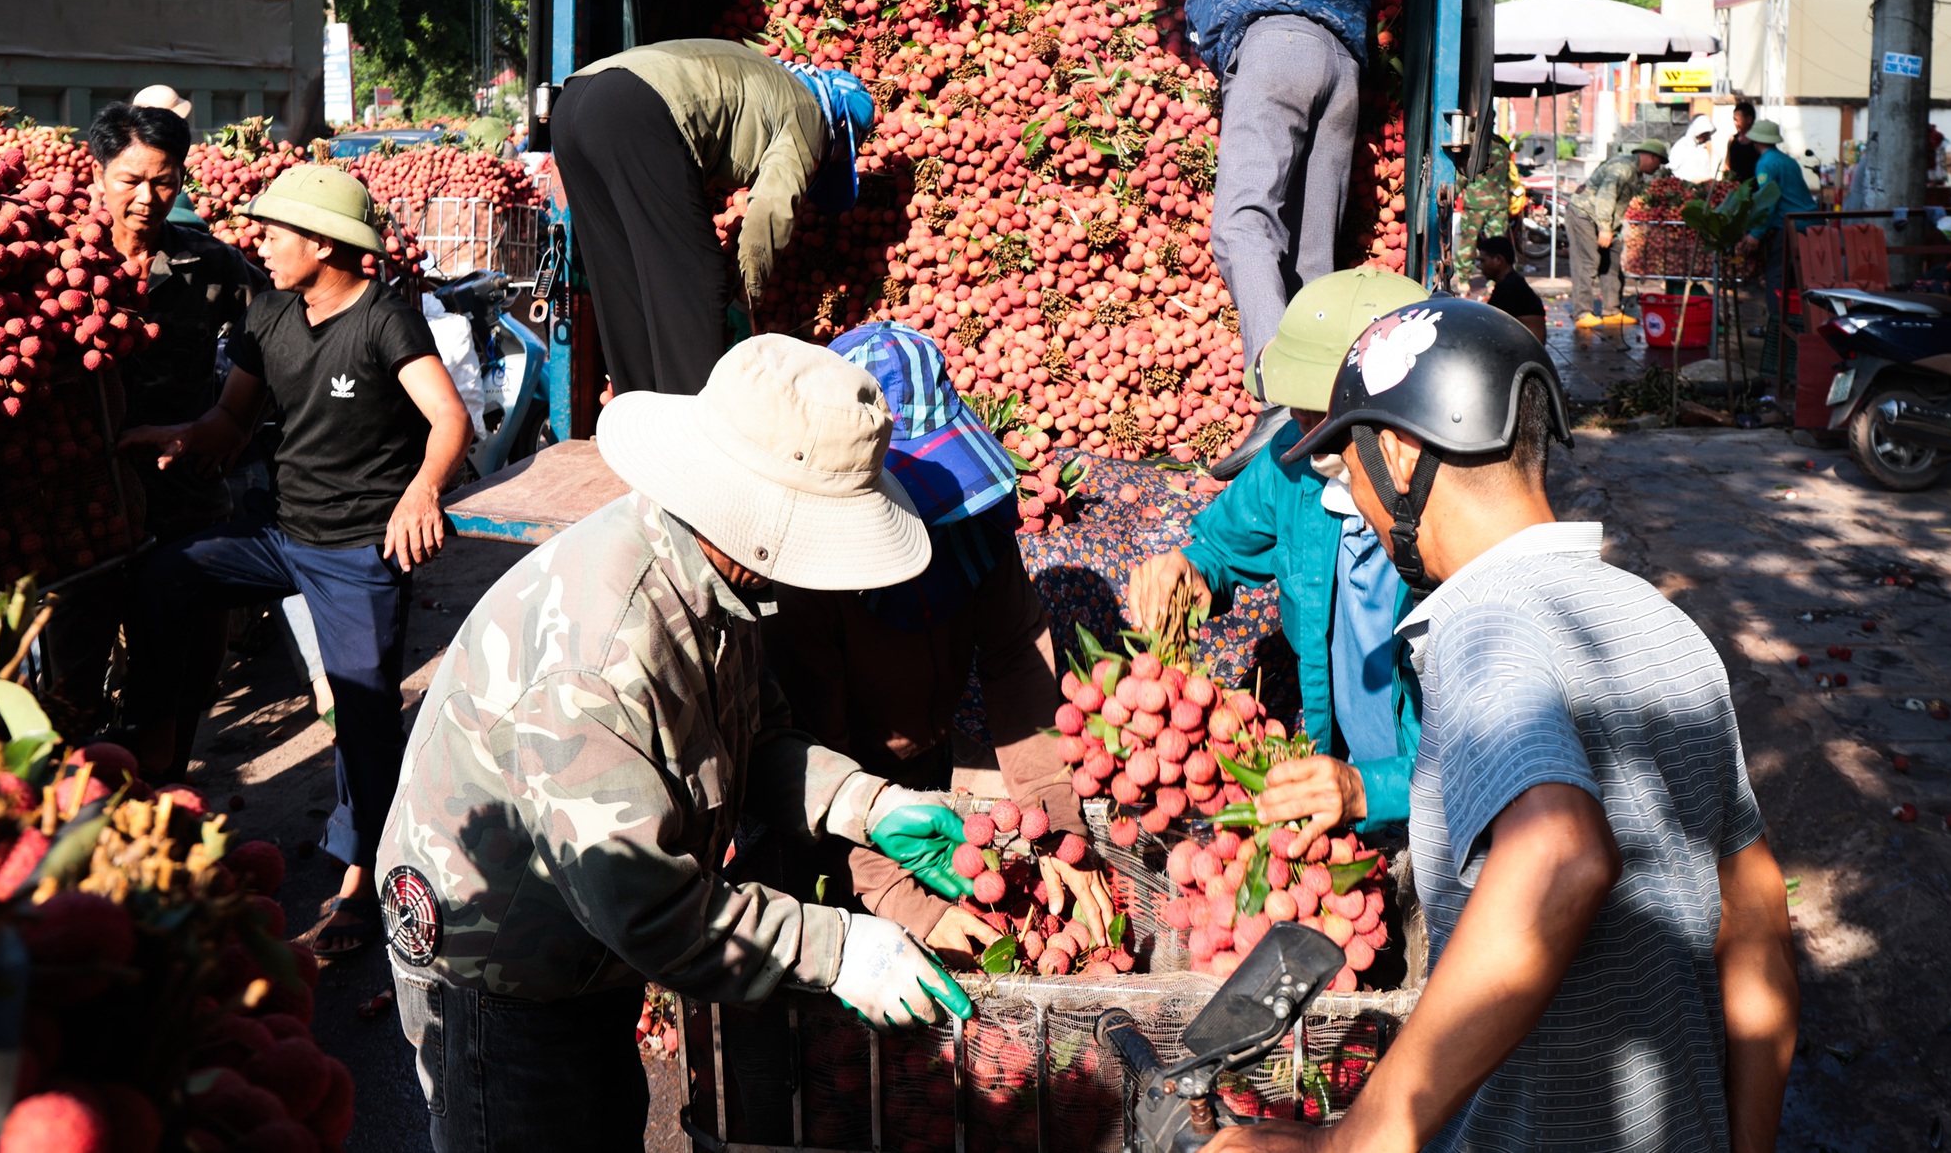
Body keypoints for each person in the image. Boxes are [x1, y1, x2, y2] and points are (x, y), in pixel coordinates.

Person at [1216, 299, 1797, 1153]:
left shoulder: (1484, 623)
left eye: (1352, 471)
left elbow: (1561, 856)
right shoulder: (1662, 622)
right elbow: (1755, 920)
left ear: (1404, 454)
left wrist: (1348, 1144)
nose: (1362, 510)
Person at [379, 336, 974, 1150]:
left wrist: (862, 803)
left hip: (585, 948)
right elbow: (648, 907)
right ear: (762, 521)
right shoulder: (599, 656)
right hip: (501, 973)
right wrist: (838, 950)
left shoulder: (713, 575)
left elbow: (753, 734)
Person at [120, 164, 474, 958]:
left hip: (357, 548)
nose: (262, 243)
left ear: (323, 242)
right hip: (280, 534)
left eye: (277, 232)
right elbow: (230, 417)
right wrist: (180, 439)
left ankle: (360, 878)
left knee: (364, 710)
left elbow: (450, 418)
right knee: (165, 576)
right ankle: (161, 760)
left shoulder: (385, 318)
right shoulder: (271, 314)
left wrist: (421, 491)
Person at [764, 323, 1113, 959]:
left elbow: (1014, 657)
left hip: (932, 760)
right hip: (834, 799)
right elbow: (815, 764)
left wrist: (1053, 821)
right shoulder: (806, 577)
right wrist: (896, 895)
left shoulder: (972, 524)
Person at [1109, 0, 1369, 477]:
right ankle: (1327, 413)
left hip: (1279, 48)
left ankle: (1281, 395)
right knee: (1313, 257)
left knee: (1242, 224)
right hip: (1342, 65)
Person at [1124, 266, 1428, 832]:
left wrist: (1371, 789)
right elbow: (1220, 547)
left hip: (1433, 796)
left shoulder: (1450, 509)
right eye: (1297, 406)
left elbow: (1481, 758)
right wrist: (1185, 570)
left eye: (1317, 409)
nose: (1300, 423)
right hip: (1342, 776)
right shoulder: (1295, 462)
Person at [42, 103, 264, 738]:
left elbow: (276, 337)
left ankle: (162, 801)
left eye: (164, 181)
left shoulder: (211, 266)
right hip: (81, 512)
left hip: (183, 503)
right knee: (70, 696)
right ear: (98, 176)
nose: (147, 197)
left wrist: (234, 425)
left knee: (185, 682)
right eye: (130, 180)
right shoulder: (55, 263)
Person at [550, 38, 874, 398]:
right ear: (839, 127)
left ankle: (637, 423)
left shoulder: (763, 79)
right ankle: (697, 434)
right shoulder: (810, 114)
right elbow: (770, 211)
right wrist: (742, 299)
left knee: (625, 279)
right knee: (700, 279)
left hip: (572, 106)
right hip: (636, 110)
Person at [1565, 133, 1665, 329]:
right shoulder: (1623, 168)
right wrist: (1604, 228)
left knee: (1612, 261)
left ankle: (1612, 310)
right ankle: (1583, 312)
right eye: (1658, 162)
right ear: (1651, 157)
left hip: (1607, 220)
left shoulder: (1635, 172)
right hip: (1585, 214)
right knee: (1588, 262)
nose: (1658, 167)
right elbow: (1606, 195)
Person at [1737, 119, 1819, 299]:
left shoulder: (1765, 164)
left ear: (1756, 142)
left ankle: (1776, 322)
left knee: (1776, 275)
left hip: (1791, 224)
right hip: (1811, 222)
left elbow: (1768, 200)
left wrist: (1756, 234)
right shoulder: (1787, 160)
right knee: (1796, 277)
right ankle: (1794, 320)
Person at [1453, 131, 1512, 289]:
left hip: (1475, 203)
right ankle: (1495, 281)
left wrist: (1453, 195)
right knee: (1497, 244)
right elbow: (1508, 173)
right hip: (1498, 203)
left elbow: (1464, 174)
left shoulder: (1473, 144)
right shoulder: (1503, 145)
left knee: (1468, 242)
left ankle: (1464, 280)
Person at [1476, 234, 1546, 345]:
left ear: (1498, 260)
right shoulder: (1511, 283)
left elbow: (1486, 322)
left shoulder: (1511, 287)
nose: (1480, 266)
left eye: (1483, 261)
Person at [1669, 112, 1721, 184]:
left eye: (1706, 134)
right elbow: (1672, 170)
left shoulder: (1703, 149)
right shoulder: (1681, 146)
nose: (1704, 137)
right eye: (1702, 134)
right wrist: (1690, 179)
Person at [1725, 99, 1761, 182]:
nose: (1735, 123)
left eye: (1737, 120)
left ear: (1749, 119)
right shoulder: (1732, 139)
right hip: (1735, 188)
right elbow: (1727, 165)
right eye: (1734, 119)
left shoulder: (1758, 142)